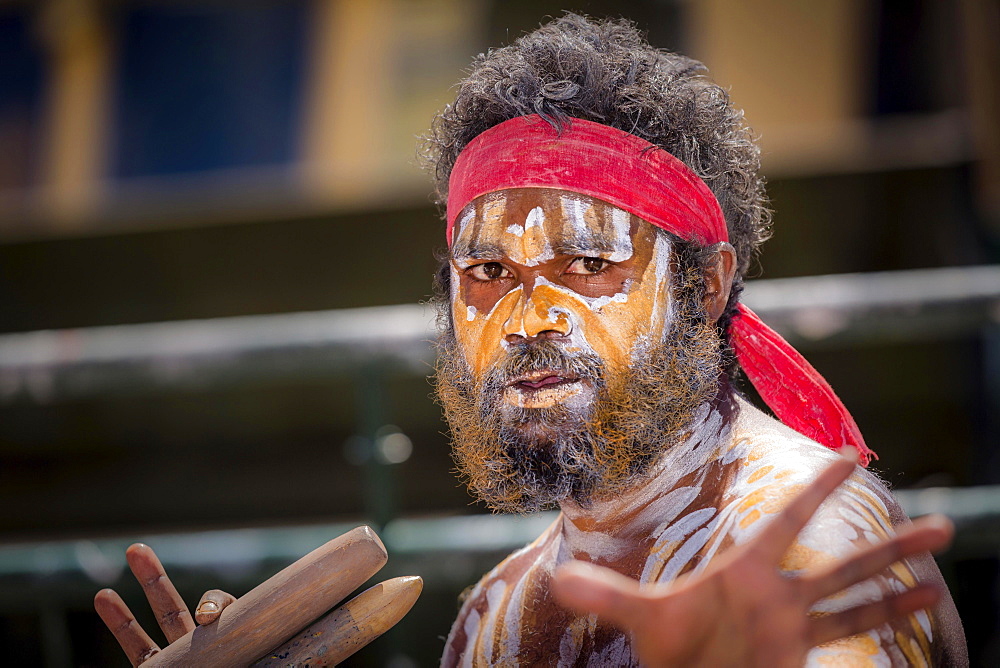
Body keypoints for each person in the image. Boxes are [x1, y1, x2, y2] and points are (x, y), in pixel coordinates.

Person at [96, 13, 967, 667]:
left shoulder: (806, 543)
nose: (528, 316)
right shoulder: (496, 610)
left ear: (703, 288)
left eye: (587, 262)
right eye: (487, 274)